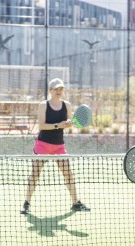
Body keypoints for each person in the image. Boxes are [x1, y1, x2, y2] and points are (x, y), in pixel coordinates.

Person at [21, 78, 90, 214]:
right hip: (43, 145)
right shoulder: (43, 105)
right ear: (50, 91)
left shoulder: (67, 105)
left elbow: (68, 123)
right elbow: (42, 125)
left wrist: (69, 124)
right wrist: (58, 125)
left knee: (69, 175)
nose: (59, 91)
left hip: (59, 146)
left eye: (61, 89)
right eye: (56, 89)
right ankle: (26, 203)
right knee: (35, 175)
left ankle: (76, 203)